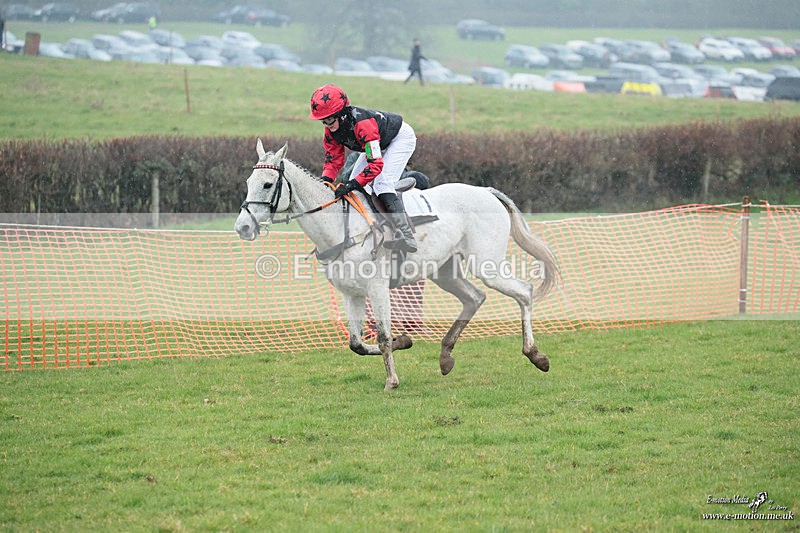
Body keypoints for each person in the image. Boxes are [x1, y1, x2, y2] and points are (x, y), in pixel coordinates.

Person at [308, 83, 418, 253]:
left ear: (341, 114)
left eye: (329, 119)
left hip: (399, 139)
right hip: (377, 143)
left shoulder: (362, 124)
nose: (326, 124)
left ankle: (406, 234)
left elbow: (375, 165)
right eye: (323, 120)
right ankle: (373, 224)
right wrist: (326, 180)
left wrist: (354, 183)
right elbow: (333, 160)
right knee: (350, 183)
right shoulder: (331, 131)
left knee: (381, 183)